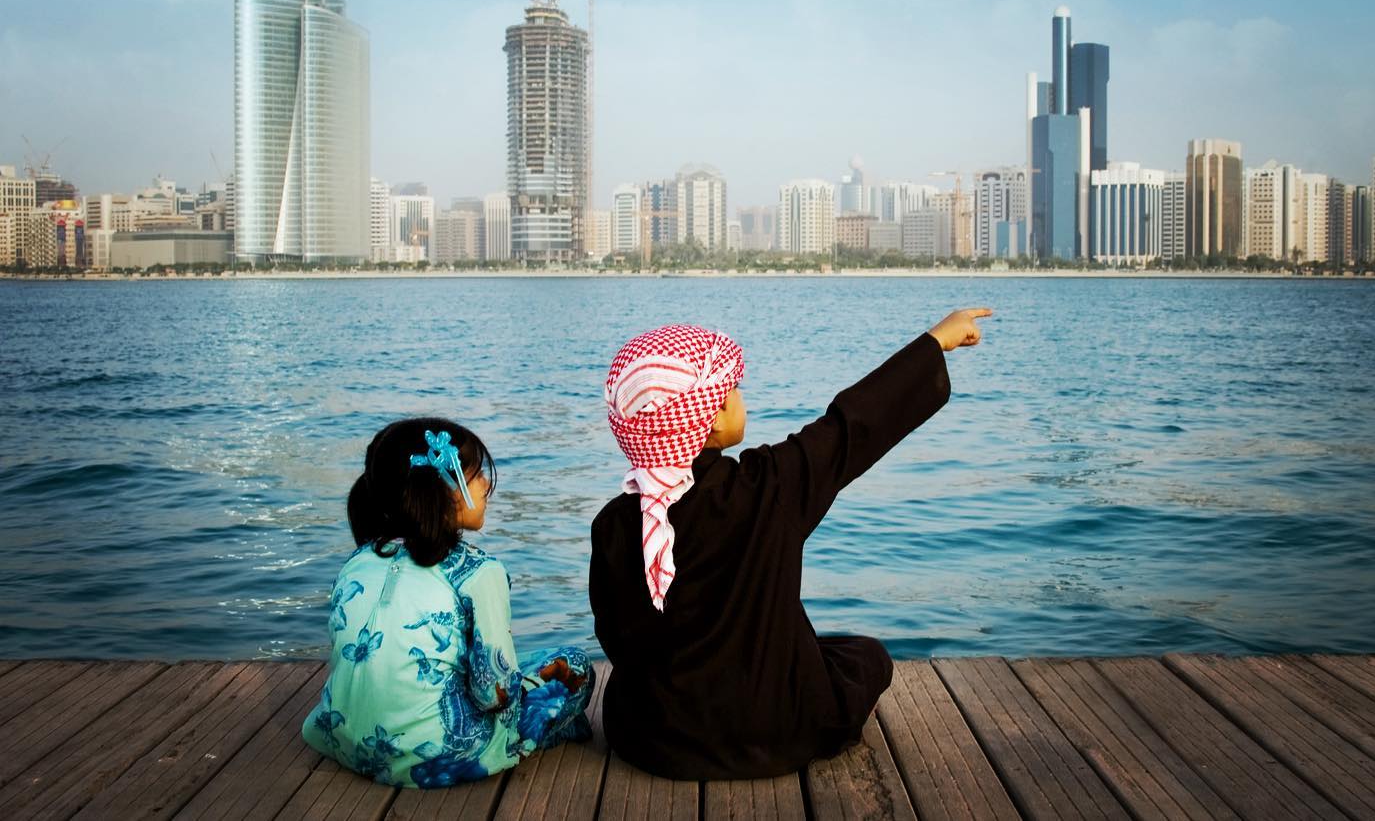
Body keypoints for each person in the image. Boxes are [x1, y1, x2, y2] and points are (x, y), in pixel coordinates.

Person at [590, 309, 992, 780]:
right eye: (731, 388)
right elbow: (851, 428)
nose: (740, 396)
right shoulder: (768, 488)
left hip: (655, 739)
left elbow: (616, 638)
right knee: (867, 658)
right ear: (712, 418)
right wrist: (935, 343)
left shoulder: (613, 525)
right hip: (774, 733)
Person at [301, 418, 594, 788]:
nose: (486, 485)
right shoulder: (477, 571)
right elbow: (494, 696)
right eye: (475, 475)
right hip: (438, 757)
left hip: (341, 741)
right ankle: (542, 736)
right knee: (574, 666)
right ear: (439, 490)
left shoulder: (358, 561)